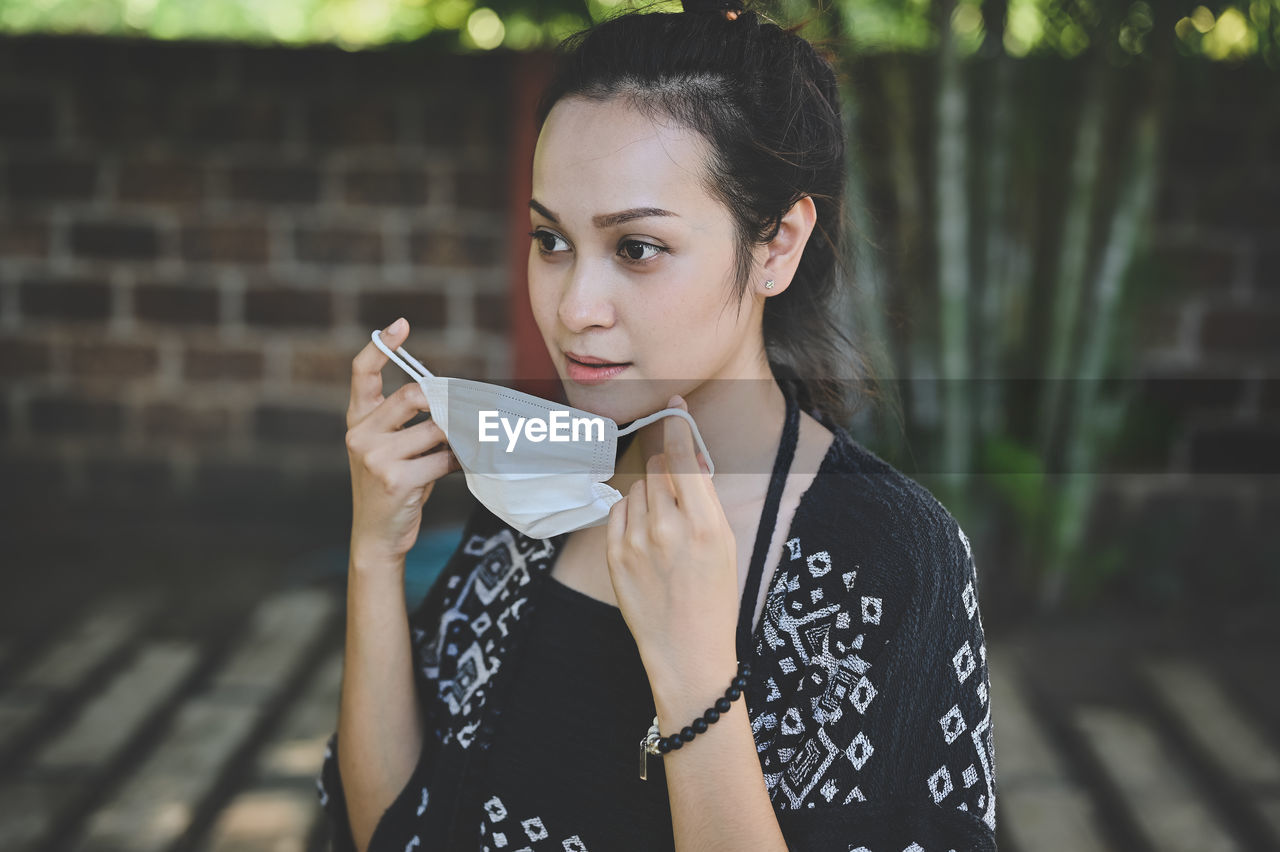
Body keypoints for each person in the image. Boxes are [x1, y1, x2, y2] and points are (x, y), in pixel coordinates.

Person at [317, 0, 998, 849]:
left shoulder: (891, 562)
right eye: (550, 240)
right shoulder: (535, 484)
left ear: (777, 244)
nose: (574, 309)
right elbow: (393, 830)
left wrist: (695, 672)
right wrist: (374, 553)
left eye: (637, 248)